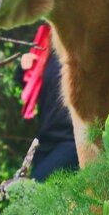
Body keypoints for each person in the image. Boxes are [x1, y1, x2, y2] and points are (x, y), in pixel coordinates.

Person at [17, 24, 79, 182]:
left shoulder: (82, 47)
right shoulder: (46, 49)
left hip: (72, 141)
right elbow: (31, 86)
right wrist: (23, 69)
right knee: (47, 202)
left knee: (34, 191)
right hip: (46, 140)